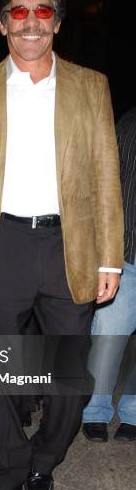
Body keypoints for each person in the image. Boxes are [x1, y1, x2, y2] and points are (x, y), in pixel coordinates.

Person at [0, 0, 123, 490]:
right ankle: (6, 472)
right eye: (19, 11)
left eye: (42, 10)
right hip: (0, 245)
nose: (31, 21)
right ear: (3, 23)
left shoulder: (89, 85)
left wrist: (111, 259)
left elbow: (105, 175)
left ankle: (44, 461)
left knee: (70, 378)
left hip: (67, 248)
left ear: (57, 21)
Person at [82, 107, 136, 443]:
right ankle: (94, 409)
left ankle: (133, 411)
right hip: (125, 253)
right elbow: (106, 187)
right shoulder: (128, 124)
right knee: (107, 337)